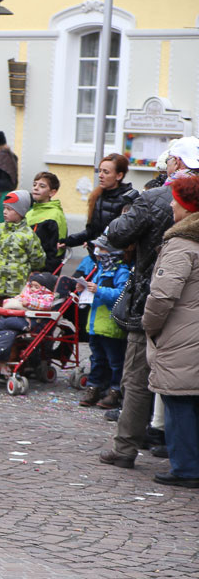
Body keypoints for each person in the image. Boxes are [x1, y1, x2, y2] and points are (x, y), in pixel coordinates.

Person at [97, 152, 187, 469]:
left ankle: (126, 447)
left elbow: (117, 234)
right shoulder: (163, 197)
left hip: (155, 296)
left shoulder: (158, 197)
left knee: (137, 378)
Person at [142, 173, 199, 488]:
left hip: (182, 335)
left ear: (186, 207)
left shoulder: (181, 243)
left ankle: (186, 468)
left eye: (175, 201)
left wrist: (150, 325)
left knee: (179, 402)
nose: (171, 206)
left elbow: (163, 295)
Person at [77, 234, 130, 409]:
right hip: (96, 325)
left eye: (103, 249)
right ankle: (94, 387)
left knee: (115, 361)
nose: (98, 252)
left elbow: (121, 295)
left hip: (110, 325)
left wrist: (98, 290)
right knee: (97, 359)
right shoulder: (100, 269)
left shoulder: (121, 271)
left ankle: (115, 390)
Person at [64, 154, 137, 257]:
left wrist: (97, 244)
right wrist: (68, 241)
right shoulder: (97, 196)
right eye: (100, 171)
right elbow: (91, 231)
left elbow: (125, 236)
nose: (100, 175)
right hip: (96, 255)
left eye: (106, 172)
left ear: (119, 176)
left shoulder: (129, 199)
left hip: (116, 259)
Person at [0, 190, 45, 308]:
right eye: (4, 208)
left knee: (12, 315)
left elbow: (38, 259)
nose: (5, 212)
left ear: (21, 212)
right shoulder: (0, 229)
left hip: (17, 288)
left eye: (10, 209)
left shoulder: (28, 235)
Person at [27, 171, 68, 274]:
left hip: (43, 272)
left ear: (52, 192)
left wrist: (42, 272)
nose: (36, 188)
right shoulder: (30, 213)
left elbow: (57, 251)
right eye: (34, 184)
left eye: (42, 186)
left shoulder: (55, 215)